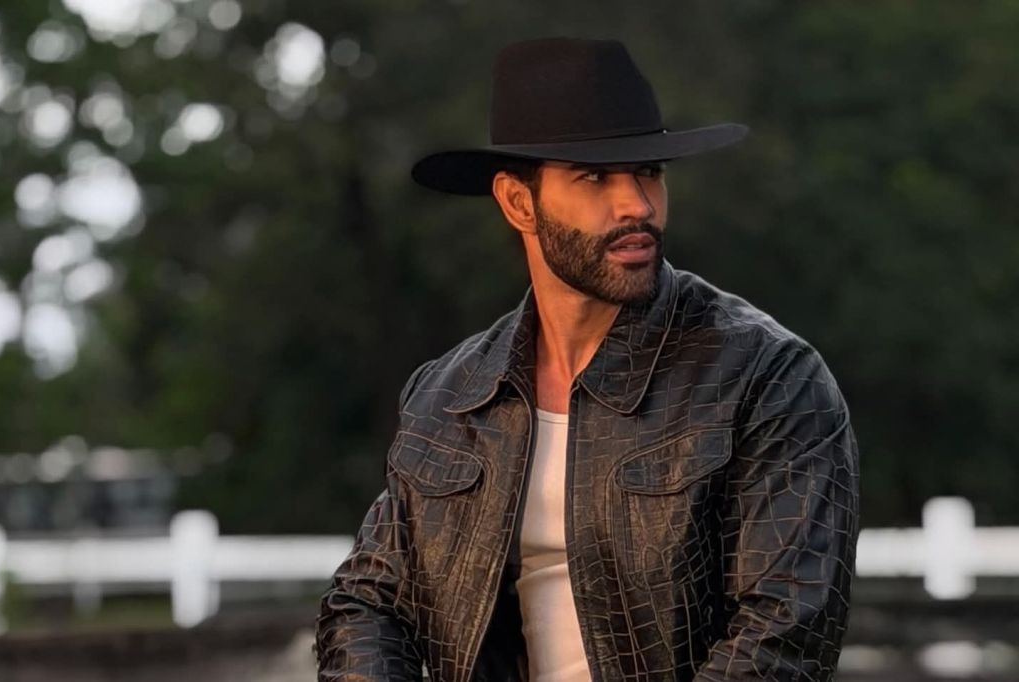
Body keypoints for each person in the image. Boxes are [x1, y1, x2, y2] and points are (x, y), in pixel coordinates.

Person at [316, 37, 859, 682]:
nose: (637, 205)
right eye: (595, 177)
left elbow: (785, 632)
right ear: (519, 203)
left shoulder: (767, 376)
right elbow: (367, 602)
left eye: (649, 171)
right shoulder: (449, 395)